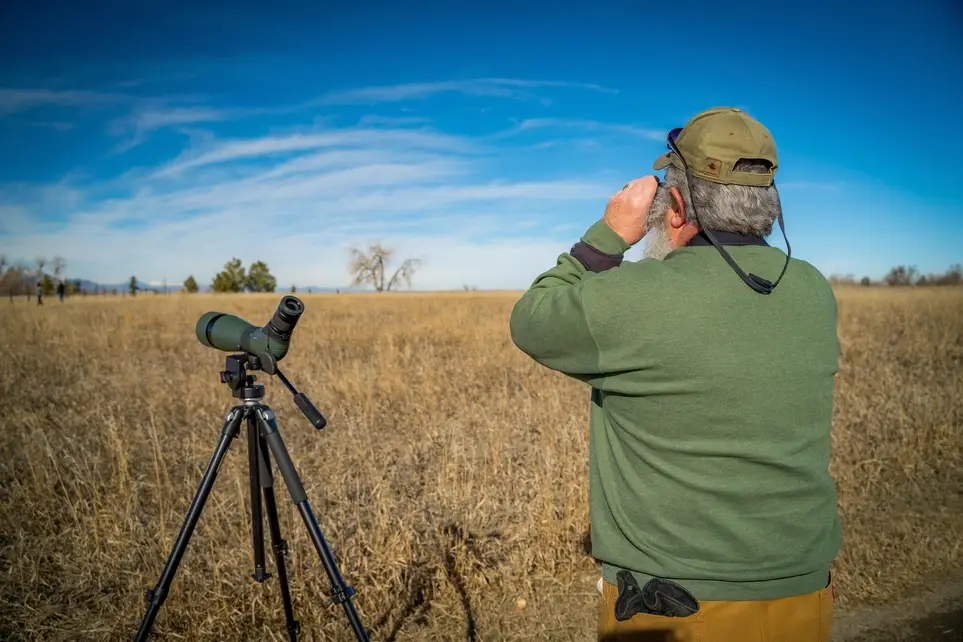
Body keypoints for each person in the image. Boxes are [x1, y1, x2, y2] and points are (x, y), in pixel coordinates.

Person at [509, 107, 841, 642]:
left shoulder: (635, 297)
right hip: (804, 592)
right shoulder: (812, 289)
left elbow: (531, 320)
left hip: (676, 604)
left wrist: (608, 234)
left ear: (677, 205)